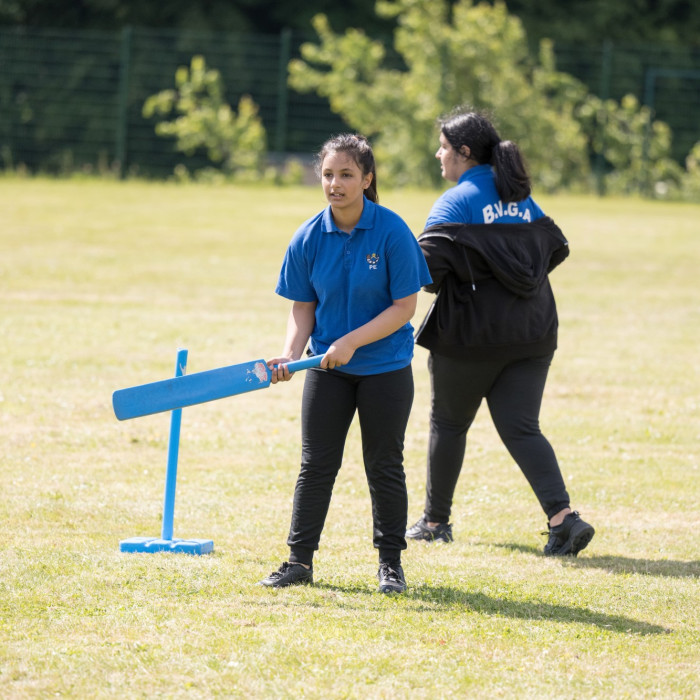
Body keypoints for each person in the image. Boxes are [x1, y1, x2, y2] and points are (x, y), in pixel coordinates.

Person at [406, 107, 595, 556]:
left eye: (445, 148)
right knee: (523, 428)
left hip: (470, 339)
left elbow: (426, 272)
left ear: (464, 153)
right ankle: (563, 518)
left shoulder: (454, 202)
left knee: (449, 425)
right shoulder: (521, 197)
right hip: (532, 333)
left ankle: (434, 522)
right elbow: (554, 249)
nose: (439, 154)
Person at [259, 133, 432, 592]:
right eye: (329, 175)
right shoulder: (309, 237)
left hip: (386, 368)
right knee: (315, 465)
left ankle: (390, 564)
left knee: (384, 464)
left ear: (367, 179)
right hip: (326, 369)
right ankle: (299, 562)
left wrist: (351, 342)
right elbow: (302, 307)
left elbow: (404, 307)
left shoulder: (392, 231)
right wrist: (292, 355)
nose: (335, 184)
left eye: (347, 175)